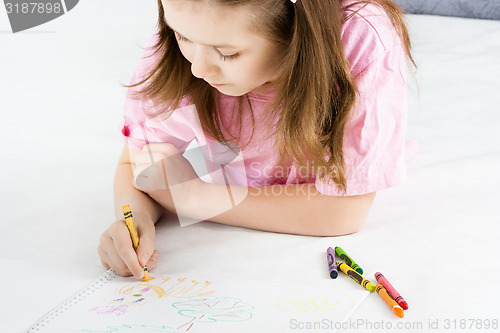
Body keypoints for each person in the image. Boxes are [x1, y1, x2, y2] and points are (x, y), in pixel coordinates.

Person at [98, 0, 417, 279]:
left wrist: (195, 199)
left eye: (227, 53)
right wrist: (136, 219)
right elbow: (138, 161)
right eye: (182, 36)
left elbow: (345, 211)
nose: (196, 68)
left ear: (292, 29)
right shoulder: (195, 27)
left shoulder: (360, 36)